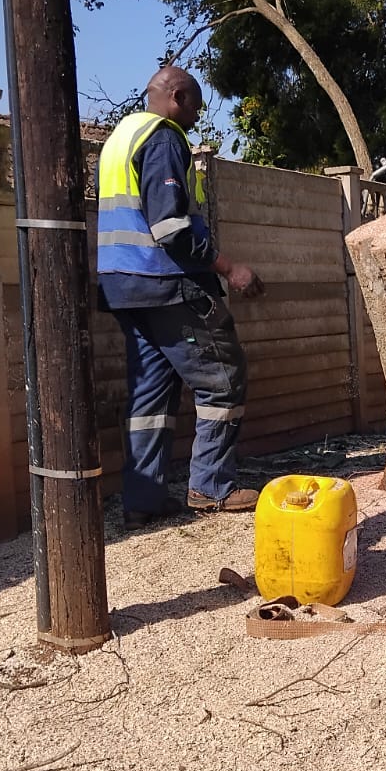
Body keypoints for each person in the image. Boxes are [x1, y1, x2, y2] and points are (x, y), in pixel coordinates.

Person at [97, 65, 264, 528]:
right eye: (194, 105)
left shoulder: (119, 138)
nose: (196, 117)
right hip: (165, 282)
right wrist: (229, 269)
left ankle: (143, 498)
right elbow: (170, 227)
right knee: (223, 377)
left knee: (151, 389)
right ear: (175, 96)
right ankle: (211, 487)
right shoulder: (163, 136)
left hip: (123, 286)